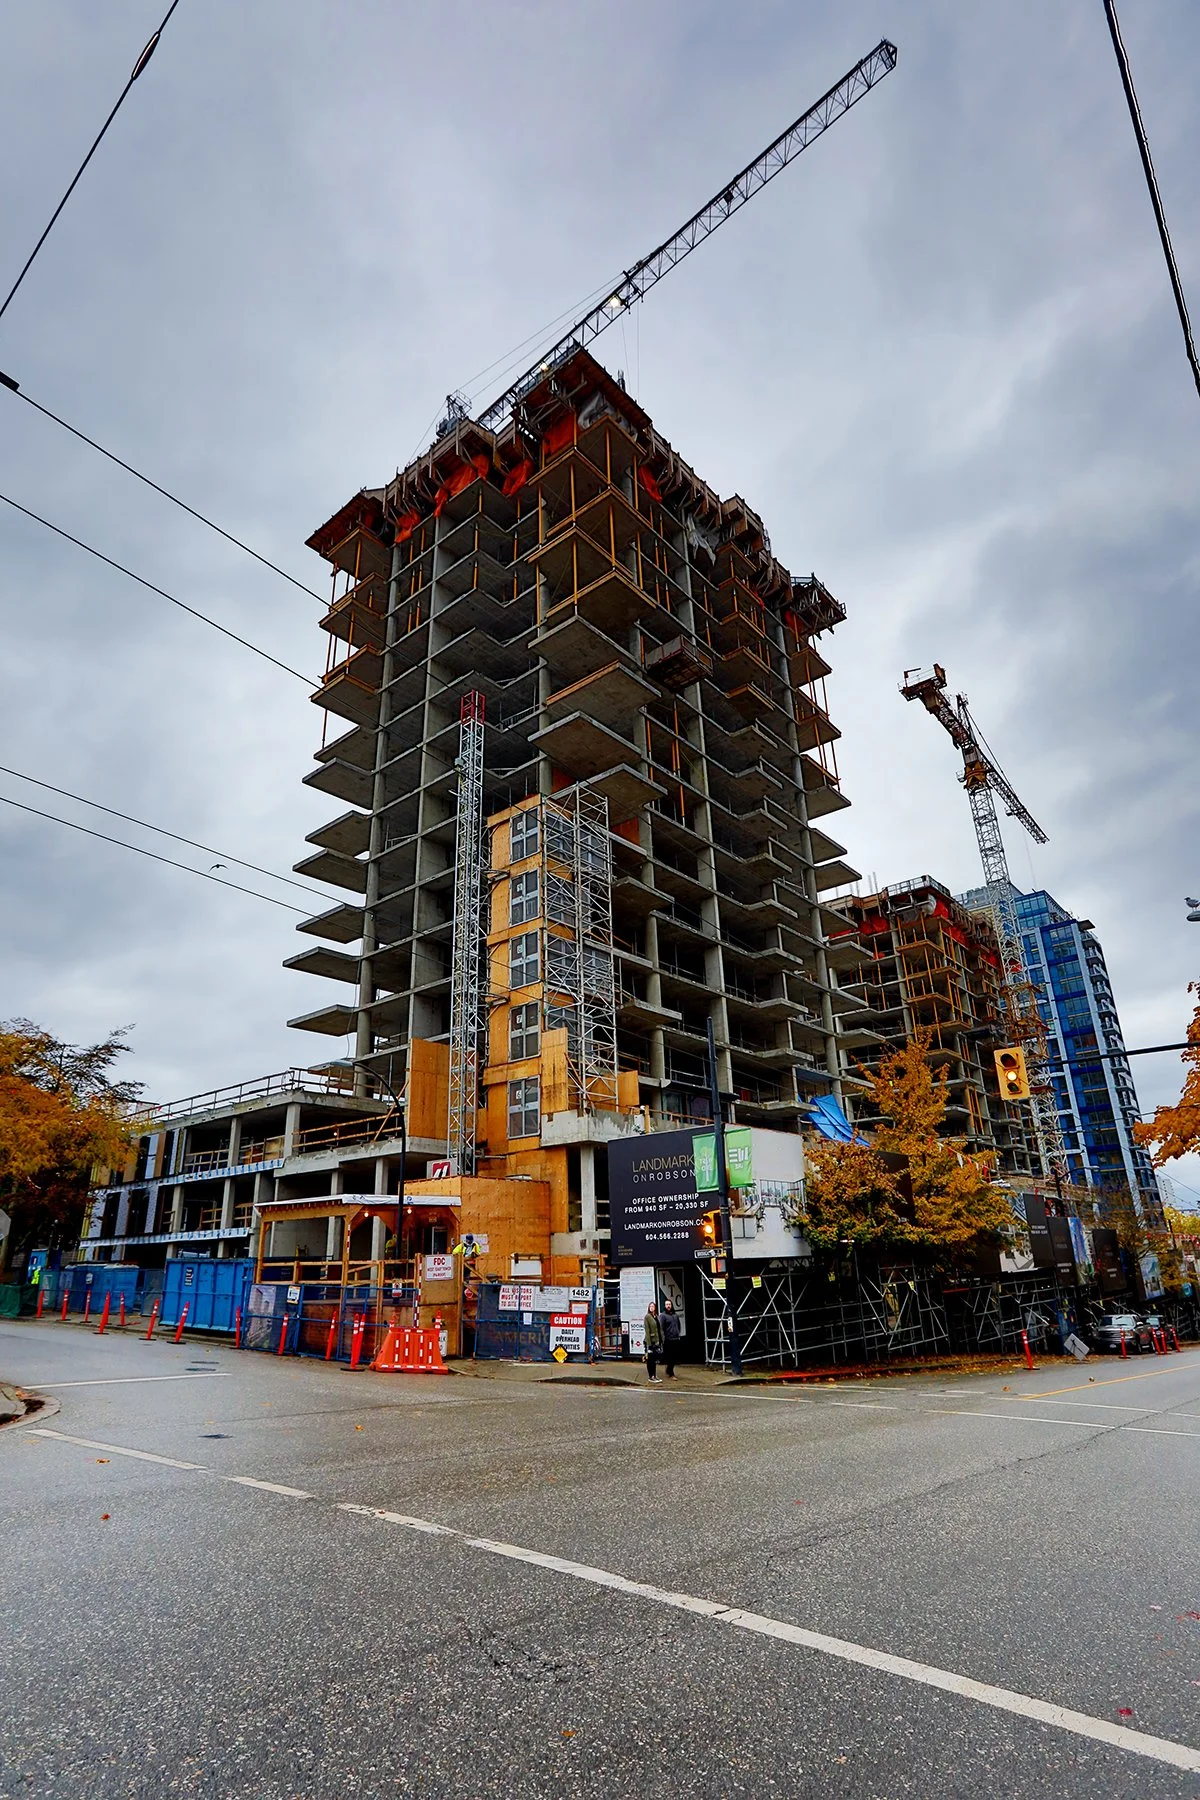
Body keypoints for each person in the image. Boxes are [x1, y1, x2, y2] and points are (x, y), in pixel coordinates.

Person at [660, 1297, 682, 1378]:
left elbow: (678, 1325)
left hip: (675, 1338)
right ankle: (671, 1373)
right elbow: (661, 1328)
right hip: (668, 1339)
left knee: (675, 1357)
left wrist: (678, 1333)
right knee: (670, 1357)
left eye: (669, 1304)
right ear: (665, 1306)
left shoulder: (675, 1315)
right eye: (666, 1305)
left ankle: (669, 1369)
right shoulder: (663, 1316)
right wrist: (663, 1338)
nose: (668, 1306)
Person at [643, 1300, 663, 1383]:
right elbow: (647, 1330)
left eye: (653, 1306)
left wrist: (661, 1339)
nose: (652, 1308)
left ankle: (654, 1375)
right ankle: (650, 1376)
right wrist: (649, 1344)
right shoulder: (647, 1317)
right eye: (650, 1306)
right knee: (650, 1359)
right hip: (650, 1341)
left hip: (657, 1341)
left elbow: (659, 1329)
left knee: (654, 1359)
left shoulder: (656, 1316)